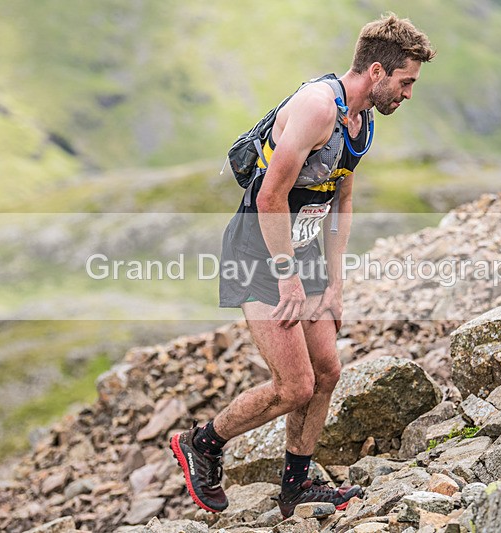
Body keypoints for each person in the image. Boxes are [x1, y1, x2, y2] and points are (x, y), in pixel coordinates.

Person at [171, 13, 435, 518]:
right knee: (295, 385)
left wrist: (334, 285)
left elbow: (341, 201)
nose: (407, 94)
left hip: (303, 250)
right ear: (376, 72)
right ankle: (202, 442)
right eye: (405, 83)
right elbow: (270, 196)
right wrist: (289, 278)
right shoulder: (317, 108)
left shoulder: (362, 121)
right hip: (257, 250)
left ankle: (295, 484)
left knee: (328, 370)